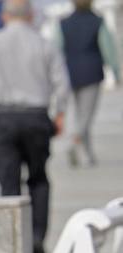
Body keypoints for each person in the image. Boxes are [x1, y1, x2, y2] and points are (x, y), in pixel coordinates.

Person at [0, 0, 69, 253]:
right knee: (38, 179)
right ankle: (36, 237)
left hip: (2, 118)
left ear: (4, 16)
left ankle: (13, 242)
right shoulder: (44, 44)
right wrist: (60, 114)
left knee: (8, 182)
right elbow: (61, 83)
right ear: (30, 16)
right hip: (36, 116)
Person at [56, 0, 121, 167]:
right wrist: (115, 71)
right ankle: (73, 142)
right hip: (92, 73)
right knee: (86, 116)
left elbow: (57, 49)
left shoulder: (63, 23)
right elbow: (108, 48)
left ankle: (88, 154)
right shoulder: (97, 21)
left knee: (79, 114)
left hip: (70, 73)